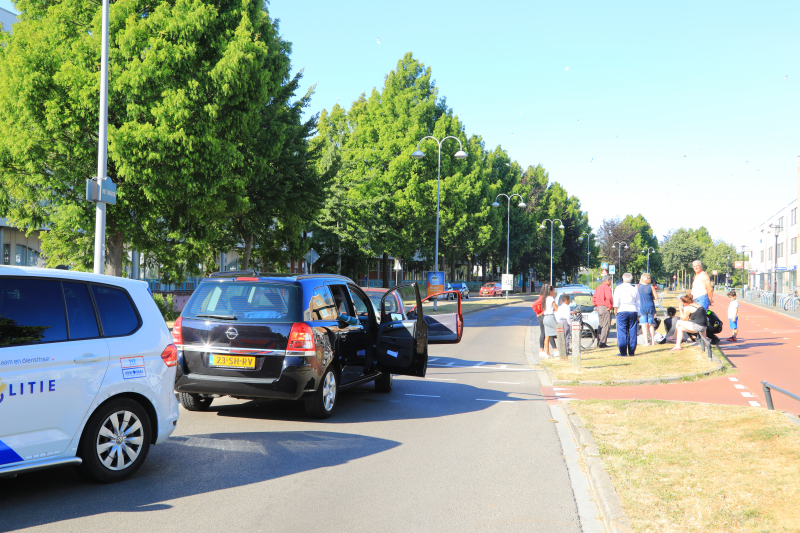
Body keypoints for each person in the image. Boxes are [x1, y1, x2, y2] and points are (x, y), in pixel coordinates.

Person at [613, 272, 641, 357]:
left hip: (622, 310)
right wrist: (638, 313)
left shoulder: (618, 288)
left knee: (622, 331)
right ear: (631, 280)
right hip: (633, 310)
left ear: (623, 279)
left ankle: (623, 352)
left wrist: (615, 310)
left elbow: (616, 300)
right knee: (632, 331)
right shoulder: (634, 289)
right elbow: (638, 301)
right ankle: (632, 351)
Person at [592, 275, 613, 348]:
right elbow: (609, 297)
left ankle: (599, 341)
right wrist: (610, 306)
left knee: (600, 325)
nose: (610, 282)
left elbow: (594, 298)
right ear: (608, 280)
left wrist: (597, 305)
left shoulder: (598, 287)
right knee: (606, 325)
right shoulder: (606, 287)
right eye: (610, 280)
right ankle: (602, 342)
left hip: (599, 307)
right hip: (605, 307)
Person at [536, 284, 556, 357]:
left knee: (547, 333)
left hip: (545, 316)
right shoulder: (543, 297)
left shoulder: (545, 297)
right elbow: (534, 305)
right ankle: (542, 350)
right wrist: (538, 312)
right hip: (543, 316)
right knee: (545, 333)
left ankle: (552, 350)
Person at [638, 273, 658, 346]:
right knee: (651, 325)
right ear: (645, 279)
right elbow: (656, 297)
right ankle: (653, 342)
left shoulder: (637, 287)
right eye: (649, 278)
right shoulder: (651, 287)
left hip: (642, 307)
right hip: (650, 307)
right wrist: (650, 298)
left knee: (644, 325)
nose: (650, 279)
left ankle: (646, 342)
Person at [542, 286, 559, 358]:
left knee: (547, 336)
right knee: (560, 331)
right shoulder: (551, 298)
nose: (554, 291)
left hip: (545, 318)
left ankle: (547, 353)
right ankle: (560, 351)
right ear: (550, 291)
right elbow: (556, 308)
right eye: (554, 290)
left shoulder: (544, 298)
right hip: (551, 317)